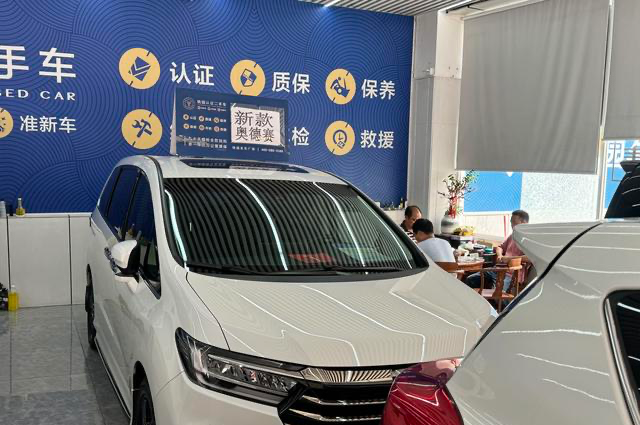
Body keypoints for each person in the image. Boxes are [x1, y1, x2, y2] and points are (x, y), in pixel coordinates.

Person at [465, 210, 529, 292]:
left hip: (511, 274)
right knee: (470, 279)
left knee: (496, 293)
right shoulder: (513, 235)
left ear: (524, 223)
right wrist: (499, 255)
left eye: (514, 222)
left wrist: (508, 259)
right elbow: (500, 247)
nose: (512, 225)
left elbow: (530, 258)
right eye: (511, 222)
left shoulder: (529, 239)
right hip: (497, 269)